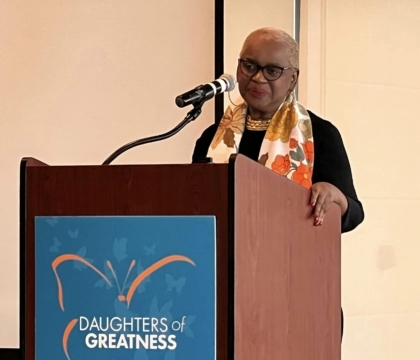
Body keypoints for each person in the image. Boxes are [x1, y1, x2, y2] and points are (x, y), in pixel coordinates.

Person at [192, 27, 364, 338]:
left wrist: (334, 195)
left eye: (272, 70)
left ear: (293, 78)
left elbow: (354, 214)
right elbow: (194, 210)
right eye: (249, 66)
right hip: (222, 294)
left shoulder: (320, 134)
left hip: (299, 294)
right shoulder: (211, 138)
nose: (258, 78)